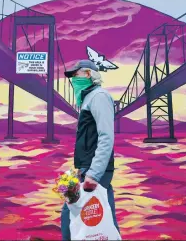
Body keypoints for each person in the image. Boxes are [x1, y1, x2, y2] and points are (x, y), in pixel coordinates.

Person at [61, 59, 120, 240]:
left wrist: (93, 173)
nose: (72, 79)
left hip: (93, 170)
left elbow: (106, 137)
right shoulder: (89, 98)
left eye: (75, 74)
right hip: (87, 167)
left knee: (69, 216)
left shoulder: (99, 97)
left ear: (87, 74)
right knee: (106, 218)